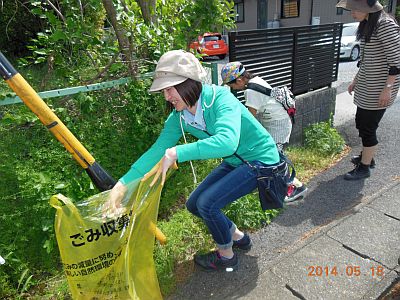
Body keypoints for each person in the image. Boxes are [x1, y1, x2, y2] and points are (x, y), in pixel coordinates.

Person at [105, 50, 281, 272]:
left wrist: (178, 152)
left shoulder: (220, 99)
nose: (167, 96)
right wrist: (122, 184)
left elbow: (227, 142)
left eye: (169, 89)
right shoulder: (179, 117)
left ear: (188, 83)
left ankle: (227, 257)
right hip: (236, 162)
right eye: (164, 90)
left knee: (207, 204)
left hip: (261, 160)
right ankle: (238, 237)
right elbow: (157, 150)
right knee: (193, 204)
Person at [220, 62, 307, 202]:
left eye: (232, 86)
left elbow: (249, 118)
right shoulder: (255, 80)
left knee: (275, 158)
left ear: (240, 80)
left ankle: (293, 187)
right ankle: (288, 184)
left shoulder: (250, 91)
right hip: (277, 121)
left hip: (278, 124)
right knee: (274, 157)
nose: (234, 89)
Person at [336, 0, 400, 180]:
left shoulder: (385, 25)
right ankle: (368, 157)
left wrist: (387, 89)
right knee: (361, 122)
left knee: (368, 127)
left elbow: (397, 61)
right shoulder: (369, 25)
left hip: (379, 87)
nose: (352, 13)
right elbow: (366, 59)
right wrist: (355, 80)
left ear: (368, 9)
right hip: (367, 84)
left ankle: (365, 167)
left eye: (355, 9)